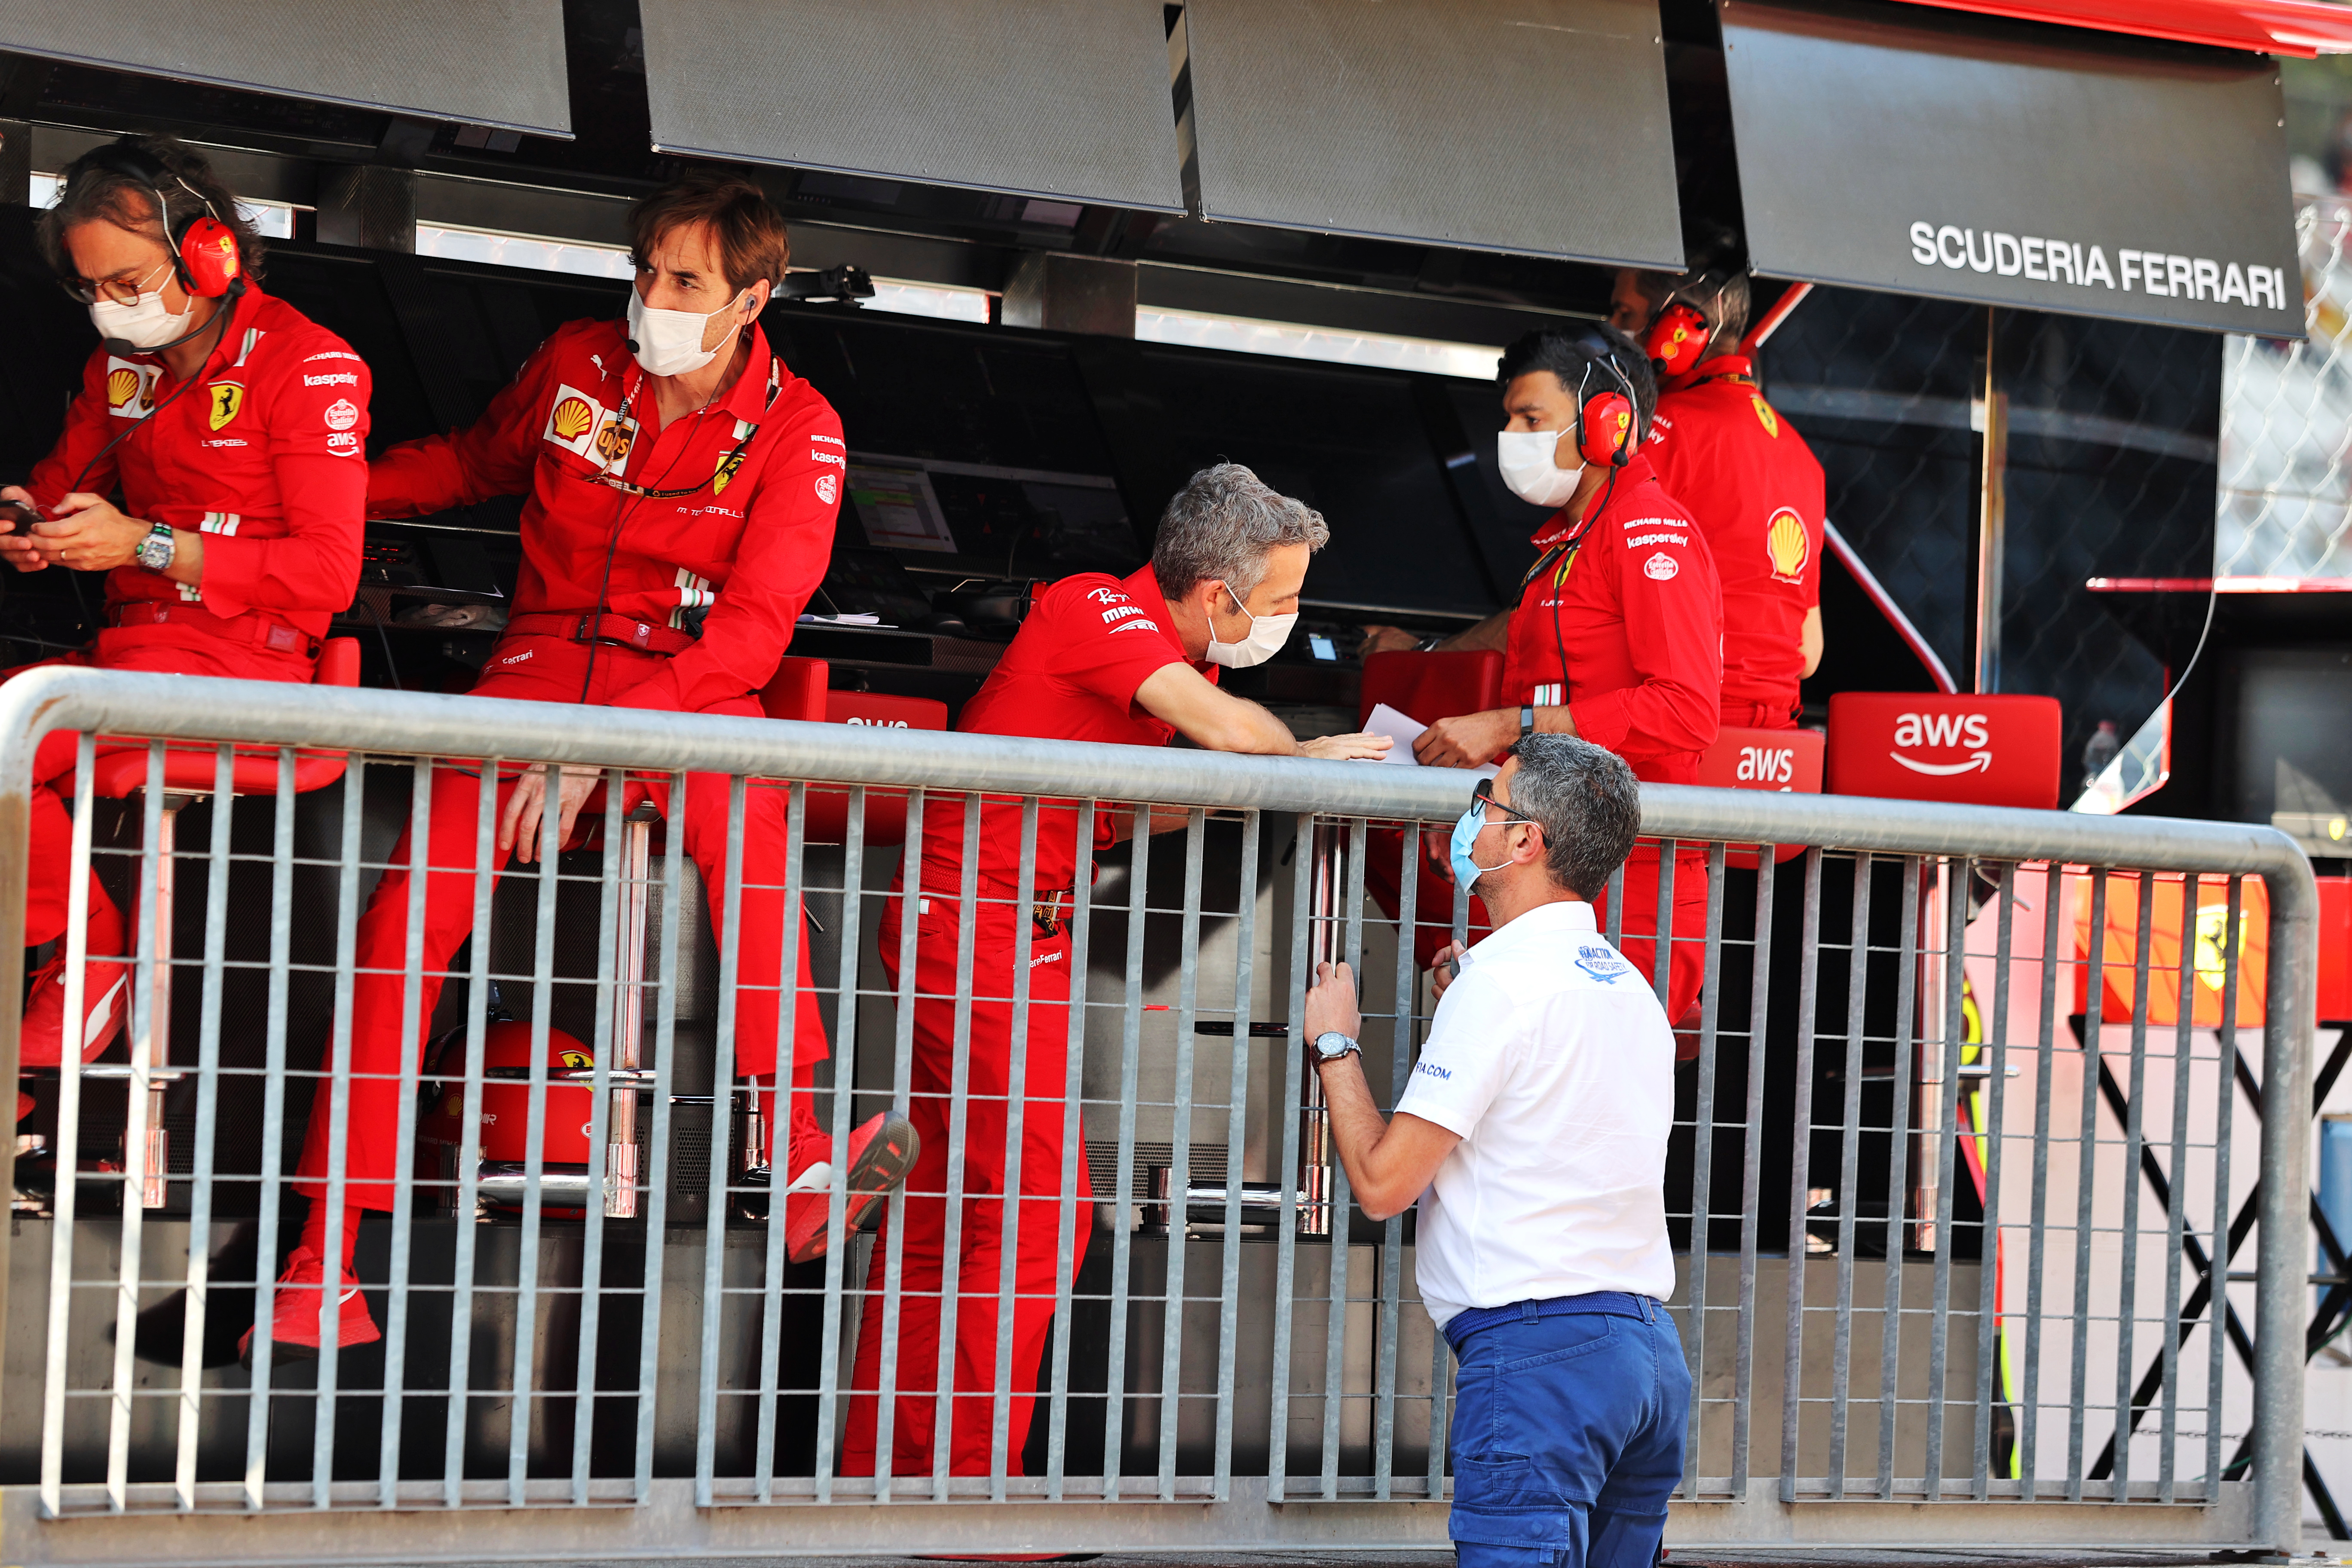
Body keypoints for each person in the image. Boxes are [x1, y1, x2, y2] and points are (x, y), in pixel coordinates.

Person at [254, 170, 913, 1354]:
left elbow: (753, 637)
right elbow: (464, 464)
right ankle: (322, 1263)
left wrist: (600, 757)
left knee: (744, 815)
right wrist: (308, 497)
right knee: (407, 921)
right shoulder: (576, 362)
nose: (650, 298)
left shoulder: (800, 429)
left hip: (693, 686)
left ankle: (808, 1160)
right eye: (645, 269)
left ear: (754, 299)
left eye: (685, 282)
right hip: (540, 668)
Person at [842, 463, 1389, 1477]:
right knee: (1034, 1216)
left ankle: (893, 1477)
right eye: (1283, 601)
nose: (1292, 620)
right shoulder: (1096, 604)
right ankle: (963, 1499)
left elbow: (1152, 796)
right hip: (973, 922)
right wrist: (1301, 762)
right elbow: (1231, 741)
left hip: (1018, 928)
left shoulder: (1186, 657)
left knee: (950, 1211)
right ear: (1218, 595)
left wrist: (1261, 777)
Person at [0, 134, 368, 1079]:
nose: (112, 308)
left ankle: (87, 969)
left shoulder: (311, 366)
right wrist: (29, 525)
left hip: (245, 670)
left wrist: (145, 545)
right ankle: (63, 1008)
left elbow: (329, 576)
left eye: (127, 281)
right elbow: (54, 487)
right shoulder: (119, 371)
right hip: (129, 660)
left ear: (207, 249)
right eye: (91, 291)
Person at [1302, 735, 1688, 1568]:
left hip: (1541, 1364)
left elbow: (1380, 1182)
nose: (1471, 816)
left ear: (1525, 842)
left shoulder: (1500, 989)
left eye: (1490, 800)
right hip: (1650, 1359)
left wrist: (1335, 1045)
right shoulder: (1630, 988)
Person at [1381, 326, 1721, 1025]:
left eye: (1529, 419)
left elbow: (1685, 711)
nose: (1511, 435)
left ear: (1606, 421)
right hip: (1551, 875)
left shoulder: (1649, 532)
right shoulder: (1563, 548)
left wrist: (1508, 726)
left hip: (1631, 886)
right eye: (1509, 419)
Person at [1608, 254, 1825, 730]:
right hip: (1778, 756)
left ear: (1681, 327)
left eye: (1625, 315)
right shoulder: (1805, 458)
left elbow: (1577, 611)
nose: (1611, 328)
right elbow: (1807, 654)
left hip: (1680, 738)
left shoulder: (1658, 431)